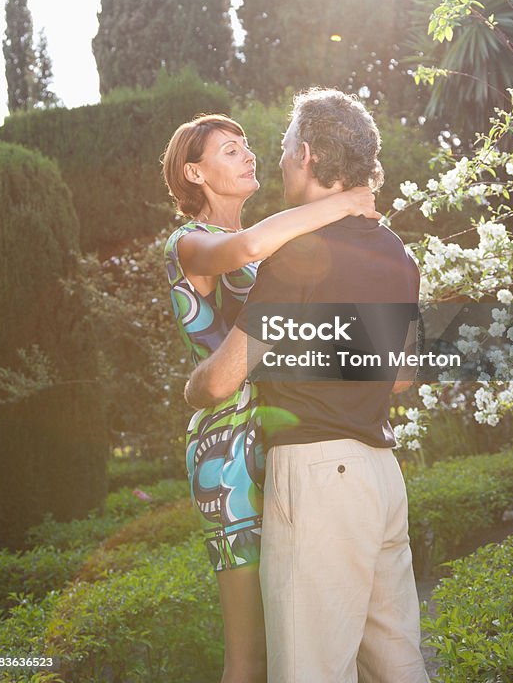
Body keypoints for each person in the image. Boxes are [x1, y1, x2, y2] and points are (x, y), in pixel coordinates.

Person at [185, 91, 430, 683]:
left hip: (320, 478)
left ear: (308, 154)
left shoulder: (298, 256)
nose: (279, 161)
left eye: (286, 148)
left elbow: (220, 380)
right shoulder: (395, 248)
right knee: (398, 667)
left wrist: (192, 388)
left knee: (308, 670)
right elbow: (402, 377)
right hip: (381, 477)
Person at [161, 112, 378, 683]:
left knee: (299, 626)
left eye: (248, 145)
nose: (248, 155)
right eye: (230, 150)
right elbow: (247, 245)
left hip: (287, 433)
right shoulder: (190, 244)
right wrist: (345, 201)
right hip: (226, 448)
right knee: (250, 650)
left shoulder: (266, 248)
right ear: (194, 172)